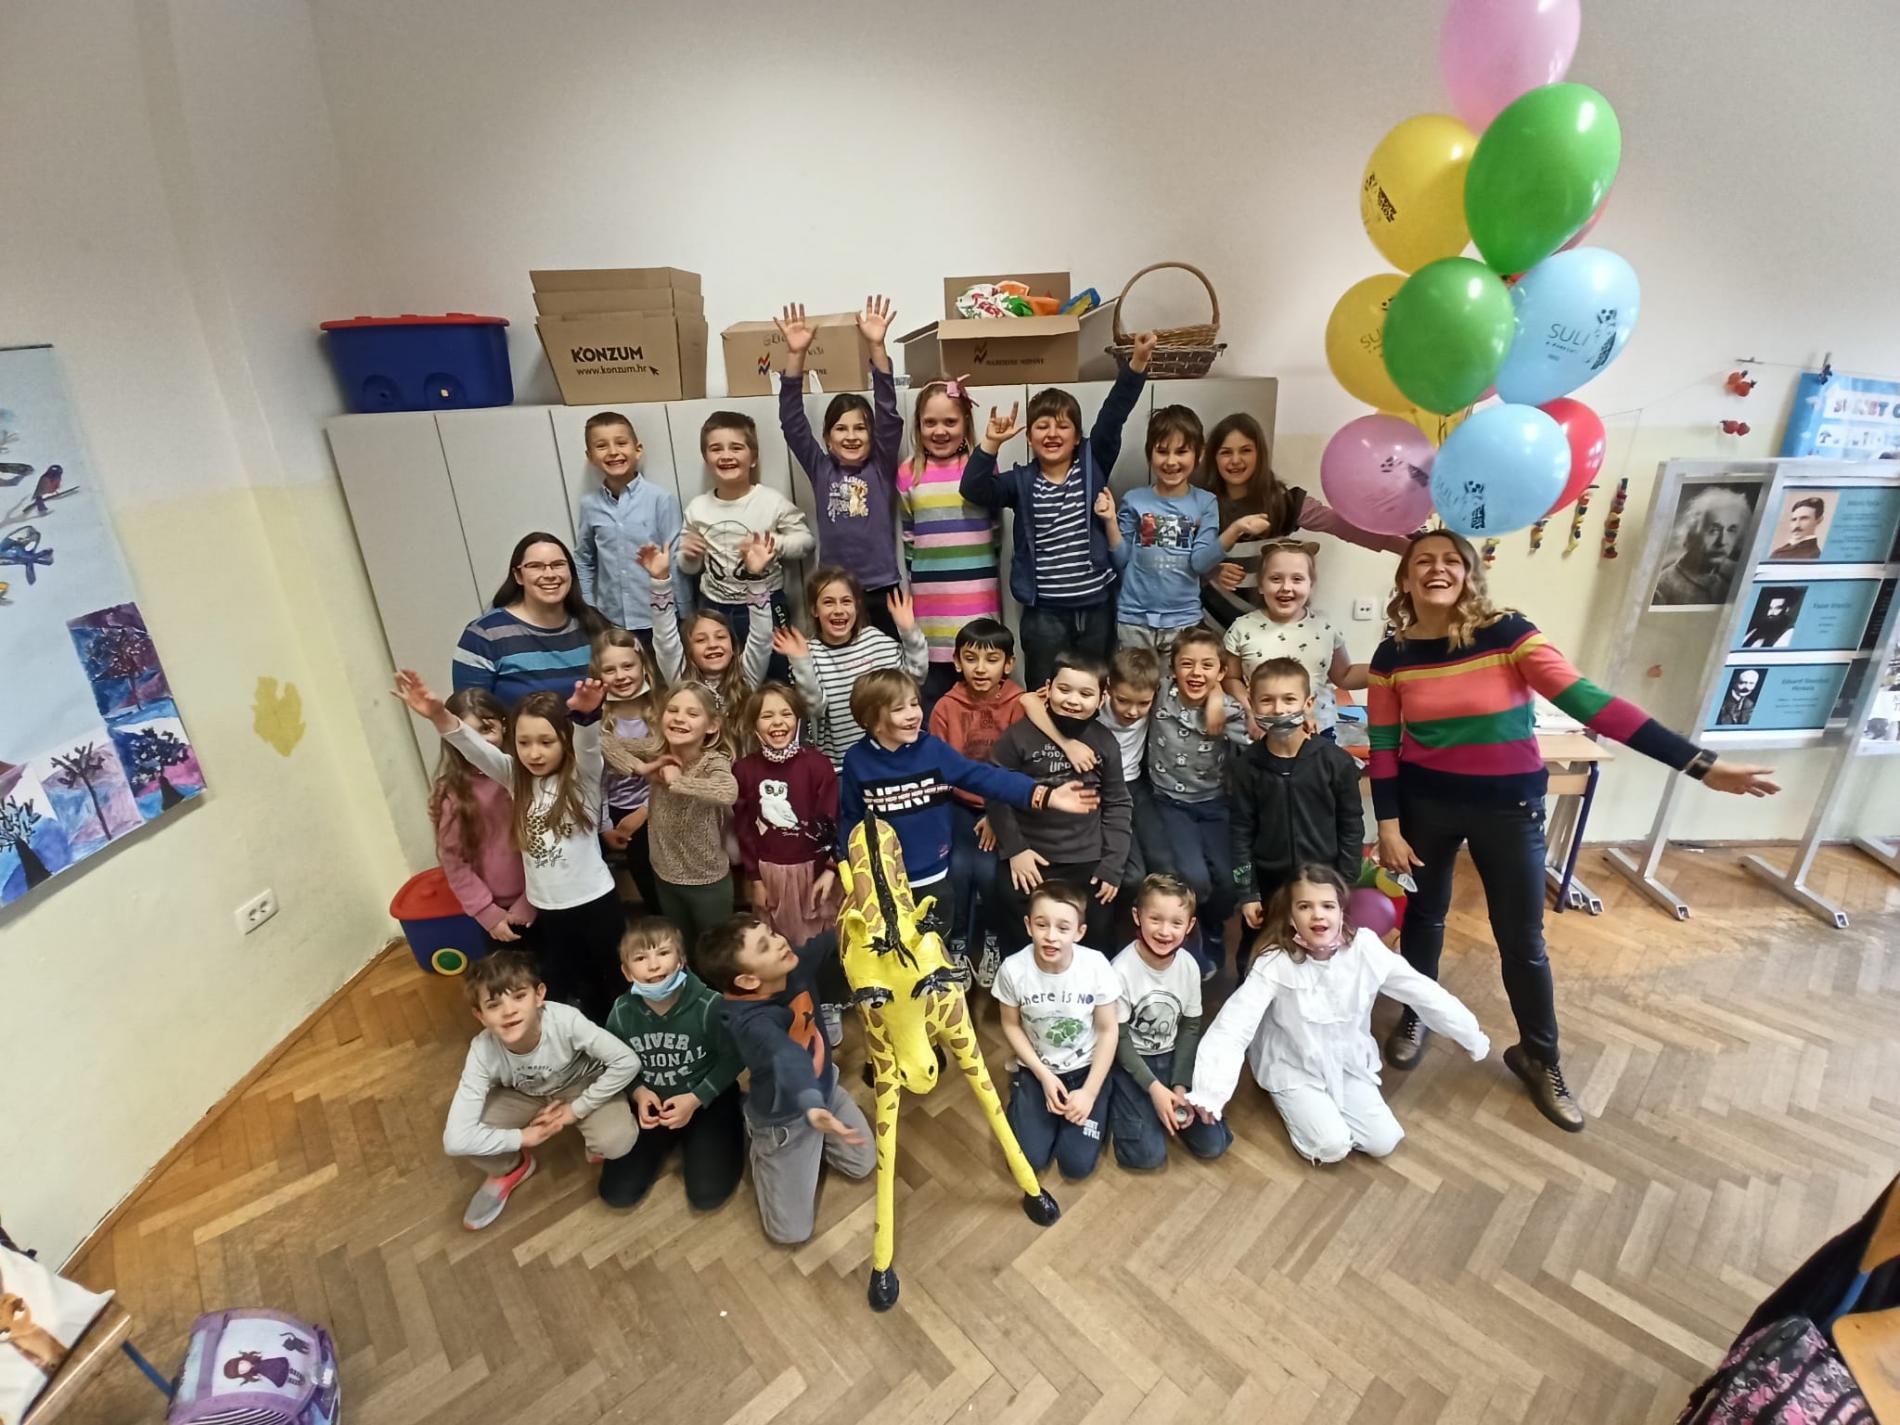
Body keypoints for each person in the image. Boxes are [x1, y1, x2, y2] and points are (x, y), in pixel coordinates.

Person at [1370, 530, 1780, 1131]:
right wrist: (1387, 825)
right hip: (1425, 806)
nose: (1438, 569)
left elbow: (1593, 704)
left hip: (1509, 808)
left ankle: (1540, 1057)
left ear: (1469, 575)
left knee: (1522, 939)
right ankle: (1419, 1013)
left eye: (1451, 560)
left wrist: (1700, 764)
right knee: (1424, 918)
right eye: (1423, 562)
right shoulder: (1393, 655)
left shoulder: (1507, 633)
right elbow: (1384, 746)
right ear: (1405, 580)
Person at [1187, 868, 1489, 1166]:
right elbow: (1233, 1026)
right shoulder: (1276, 962)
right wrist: (1209, 1092)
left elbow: (1420, 990)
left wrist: (1468, 1033)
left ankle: (1329, 1110)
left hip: (1346, 1061)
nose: (1318, 915)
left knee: (1383, 1141)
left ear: (1342, 911)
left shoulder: (1364, 948)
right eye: (1305, 907)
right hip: (1293, 1063)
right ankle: (1296, 1102)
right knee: (1332, 1146)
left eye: (1327, 906)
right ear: (1291, 917)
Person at [396, 669, 624, 1020]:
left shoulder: (581, 778)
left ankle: (623, 1037)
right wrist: (439, 715)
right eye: (524, 742)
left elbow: (589, 748)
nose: (534, 753)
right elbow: (473, 748)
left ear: (565, 741)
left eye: (546, 742)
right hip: (549, 911)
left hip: (595, 904)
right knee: (566, 983)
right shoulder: (514, 778)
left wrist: (586, 716)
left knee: (611, 980)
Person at [959, 334, 1157, 689]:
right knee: (1044, 691)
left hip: (1097, 608)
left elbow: (1114, 412)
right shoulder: (1021, 482)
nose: (1052, 433)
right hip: (1044, 614)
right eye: (1042, 426)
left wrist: (1138, 362)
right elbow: (973, 489)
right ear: (1029, 438)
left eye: (1063, 426)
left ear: (1077, 436)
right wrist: (991, 442)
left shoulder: (1093, 464)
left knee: (1093, 691)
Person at [837, 668, 1097, 936]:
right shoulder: (856, 760)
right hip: (885, 882)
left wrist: (1045, 795)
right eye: (899, 709)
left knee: (934, 945)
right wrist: (847, 865)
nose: (913, 714)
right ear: (871, 719)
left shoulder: (932, 750)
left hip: (935, 875)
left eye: (914, 704)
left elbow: (985, 777)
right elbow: (852, 818)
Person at [698, 915, 874, 1245]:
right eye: (765, 946)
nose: (780, 941)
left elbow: (829, 940)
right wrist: (811, 1104)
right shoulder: (750, 1024)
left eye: (771, 933)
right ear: (748, 981)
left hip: (824, 1089)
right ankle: (764, 1150)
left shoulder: (791, 964)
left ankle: (816, 1139)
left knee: (863, 1164)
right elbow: (787, 1056)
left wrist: (862, 916)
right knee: (790, 1233)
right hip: (786, 1120)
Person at [442, 951, 641, 1230]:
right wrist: (522, 1137)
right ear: (480, 1016)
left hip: (578, 1083)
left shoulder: (565, 1020)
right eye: (494, 1004)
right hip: (524, 1092)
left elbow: (627, 1061)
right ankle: (510, 1168)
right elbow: (455, 1140)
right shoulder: (482, 1050)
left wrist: (577, 1109)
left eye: (519, 996)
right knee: (471, 1131)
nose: (509, 1011)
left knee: (615, 1140)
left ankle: (594, 1139)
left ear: (539, 995)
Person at [1197, 412, 1409, 630]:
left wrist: (1409, 549)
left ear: (1260, 454)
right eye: (1226, 452)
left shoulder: (1284, 501)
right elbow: (1182, 562)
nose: (1235, 460)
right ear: (1214, 457)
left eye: (1245, 450)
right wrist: (1212, 570)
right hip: (1210, 628)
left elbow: (1343, 526)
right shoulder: (1200, 503)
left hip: (1268, 629)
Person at [986, 650, 1133, 952]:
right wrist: (1016, 849)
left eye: (1085, 694)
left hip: (1086, 859)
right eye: (1064, 689)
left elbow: (1118, 803)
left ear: (1102, 699)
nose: (1073, 700)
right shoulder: (1018, 736)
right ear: (1048, 688)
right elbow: (995, 791)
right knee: (1018, 931)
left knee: (1095, 939)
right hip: (1031, 856)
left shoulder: (1105, 742)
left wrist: (1113, 864)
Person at [776, 298, 904, 636]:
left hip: (881, 588)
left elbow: (888, 413)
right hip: (833, 592)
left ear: (872, 436)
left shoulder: (880, 466)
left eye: (860, 428)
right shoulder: (821, 469)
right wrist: (796, 354)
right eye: (841, 428)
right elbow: (792, 422)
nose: (851, 436)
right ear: (827, 439)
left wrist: (876, 346)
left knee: (887, 666)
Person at [602, 918, 745, 1211]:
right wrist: (638, 1092)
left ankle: (727, 1121)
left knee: (708, 1195)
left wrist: (696, 1098)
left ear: (681, 960)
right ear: (627, 972)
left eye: (663, 953)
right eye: (641, 958)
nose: (653, 965)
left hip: (705, 1098)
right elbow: (613, 1062)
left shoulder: (710, 1005)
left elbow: (734, 1058)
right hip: (653, 1103)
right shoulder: (621, 1012)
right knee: (617, 1193)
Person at [1230, 659, 1364, 967]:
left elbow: (1351, 825)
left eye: (1289, 699)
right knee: (1256, 956)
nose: (1278, 709)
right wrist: (1247, 893)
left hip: (1323, 881)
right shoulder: (1245, 767)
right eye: (1267, 700)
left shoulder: (1335, 762)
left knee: (1324, 957)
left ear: (1308, 703)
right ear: (1252, 703)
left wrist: (1344, 880)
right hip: (1269, 885)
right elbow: (1239, 833)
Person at [993, 881, 1123, 1181]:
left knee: (1076, 1165)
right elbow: (1010, 1024)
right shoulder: (1013, 970)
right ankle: (1024, 1092)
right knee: (1027, 1161)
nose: (1051, 936)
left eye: (1063, 928)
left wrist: (1089, 1092)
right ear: (1029, 925)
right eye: (1042, 925)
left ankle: (1102, 1093)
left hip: (1085, 1068)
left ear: (1079, 932)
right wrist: (1043, 1075)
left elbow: (1108, 1030)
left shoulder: (1096, 966)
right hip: (1037, 1069)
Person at [601, 684, 740, 958]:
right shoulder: (656, 751)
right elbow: (603, 742)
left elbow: (728, 791)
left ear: (712, 725)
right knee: (682, 949)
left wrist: (679, 782)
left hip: (706, 881)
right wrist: (641, 768)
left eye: (692, 713)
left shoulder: (713, 761)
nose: (679, 718)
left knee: (716, 953)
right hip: (664, 875)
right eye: (673, 710)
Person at [1106, 875, 1232, 1169]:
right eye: (1155, 919)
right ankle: (1122, 1104)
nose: (1165, 931)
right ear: (1137, 916)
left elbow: (1190, 1026)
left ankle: (1159, 1106)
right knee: (1146, 1157)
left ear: (1189, 926)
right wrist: (1153, 1087)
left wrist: (1180, 1085)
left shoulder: (1189, 965)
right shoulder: (1119, 971)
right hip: (1132, 1061)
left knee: (1213, 1145)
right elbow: (1118, 1038)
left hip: (1174, 1057)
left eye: (1176, 923)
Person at [925, 617, 1027, 978]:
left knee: (988, 872)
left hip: (1001, 807)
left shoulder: (1019, 704)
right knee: (955, 870)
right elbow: (936, 769)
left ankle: (993, 938)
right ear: (956, 662)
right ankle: (957, 942)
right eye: (971, 659)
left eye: (991, 659)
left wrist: (998, 814)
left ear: (1008, 664)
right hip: (956, 805)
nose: (980, 668)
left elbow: (1022, 766)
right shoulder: (945, 707)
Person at [1145, 628, 1250, 977]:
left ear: (1221, 671)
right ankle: (1191, 936)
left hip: (1215, 804)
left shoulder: (1229, 711)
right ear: (1172, 668)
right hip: (1170, 802)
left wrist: (1218, 696)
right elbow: (1126, 686)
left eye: (1207, 665)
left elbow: (1258, 741)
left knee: (1232, 880)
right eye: (1186, 664)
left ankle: (1213, 926)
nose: (1196, 672)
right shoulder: (1160, 693)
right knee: (1193, 877)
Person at [896, 377, 1003, 706]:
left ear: (965, 422)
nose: (939, 431)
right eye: (930, 422)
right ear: (918, 425)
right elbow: (909, 536)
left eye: (950, 422)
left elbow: (996, 528)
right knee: (936, 699)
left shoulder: (982, 466)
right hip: (931, 607)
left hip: (977, 599)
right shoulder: (908, 472)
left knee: (981, 693)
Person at [676, 410, 814, 649]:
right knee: (719, 664)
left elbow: (806, 542)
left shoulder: (771, 502)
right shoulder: (697, 509)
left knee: (775, 663)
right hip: (713, 606)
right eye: (716, 449)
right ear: (706, 459)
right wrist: (689, 556)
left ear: (753, 458)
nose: (726, 455)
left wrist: (774, 544)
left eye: (736, 448)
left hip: (768, 601)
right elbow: (688, 567)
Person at [777, 567, 928, 766]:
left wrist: (909, 630)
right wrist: (801, 661)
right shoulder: (808, 653)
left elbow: (916, 678)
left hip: (893, 756)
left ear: (857, 606)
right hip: (842, 764)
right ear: (814, 609)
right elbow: (815, 708)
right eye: (828, 602)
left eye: (846, 601)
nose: (838, 610)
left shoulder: (875, 640)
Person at [1220, 539, 1362, 740]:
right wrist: (1250, 712)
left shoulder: (1326, 627)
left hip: (1317, 730)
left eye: (1297, 579)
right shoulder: (1242, 628)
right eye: (1275, 579)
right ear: (1261, 585)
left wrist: (1389, 668)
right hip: (1262, 730)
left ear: (1310, 584)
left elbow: (1344, 675)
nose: (1286, 587)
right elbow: (1230, 678)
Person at [733, 682, 840, 949]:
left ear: (798, 719)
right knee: (780, 943)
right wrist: (756, 880)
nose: (777, 722)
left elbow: (831, 820)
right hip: (771, 874)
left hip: (816, 873)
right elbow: (745, 829)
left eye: (786, 714)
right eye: (767, 716)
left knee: (820, 945)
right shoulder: (744, 770)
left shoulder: (818, 765)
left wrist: (830, 869)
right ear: (754, 724)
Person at [429, 688, 535, 953]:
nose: (478, 743)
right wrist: (487, 912)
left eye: (486, 729)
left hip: (540, 899)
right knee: (511, 975)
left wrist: (531, 899)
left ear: (504, 725)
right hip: (496, 913)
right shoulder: (451, 792)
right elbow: (454, 861)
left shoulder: (527, 775)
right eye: (468, 734)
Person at [1114, 405, 1225, 653]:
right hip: (1134, 618)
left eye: (1182, 451)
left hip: (1183, 619)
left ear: (1199, 453)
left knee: (1178, 679)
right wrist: (1110, 521)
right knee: (1131, 679)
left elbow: (1200, 563)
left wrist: (1234, 532)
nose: (1171, 461)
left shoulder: (1205, 502)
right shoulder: (1134, 499)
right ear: (1150, 454)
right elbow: (1120, 559)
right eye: (1162, 451)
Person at [572, 411, 686, 645]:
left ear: (638, 449)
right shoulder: (589, 505)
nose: (613, 452)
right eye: (601, 446)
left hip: (659, 618)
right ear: (590, 456)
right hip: (611, 621)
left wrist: (686, 614)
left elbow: (675, 559)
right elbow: (584, 558)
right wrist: (589, 607)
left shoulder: (660, 499)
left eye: (621, 443)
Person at [453, 532, 605, 708]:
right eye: (535, 566)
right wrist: (574, 712)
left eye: (558, 565)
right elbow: (471, 715)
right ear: (518, 576)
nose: (549, 574)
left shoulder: (595, 624)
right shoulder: (483, 635)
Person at [637, 541, 773, 718]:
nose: (712, 644)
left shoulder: (747, 676)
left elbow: (762, 637)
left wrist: (756, 578)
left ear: (733, 647)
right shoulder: (681, 679)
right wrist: (660, 581)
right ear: (689, 651)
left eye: (720, 637)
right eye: (701, 640)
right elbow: (665, 640)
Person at [592, 628, 660, 911]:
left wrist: (644, 812)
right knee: (642, 863)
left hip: (657, 803)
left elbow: (673, 769)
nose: (620, 676)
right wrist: (606, 825)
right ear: (598, 675)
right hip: (613, 810)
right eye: (610, 669)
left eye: (628, 666)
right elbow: (595, 781)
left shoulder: (660, 710)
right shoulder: (597, 720)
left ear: (643, 666)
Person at [1653, 486, 1751, 605]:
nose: (1722, 541)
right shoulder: (1663, 587)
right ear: (1692, 533)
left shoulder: (1735, 578)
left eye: (1731, 530)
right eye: (1714, 530)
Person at [1771, 495, 1826, 560]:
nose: (1797, 525)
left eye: (1804, 518)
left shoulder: (1813, 555)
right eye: (1794, 519)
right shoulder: (1782, 550)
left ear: (1819, 520)